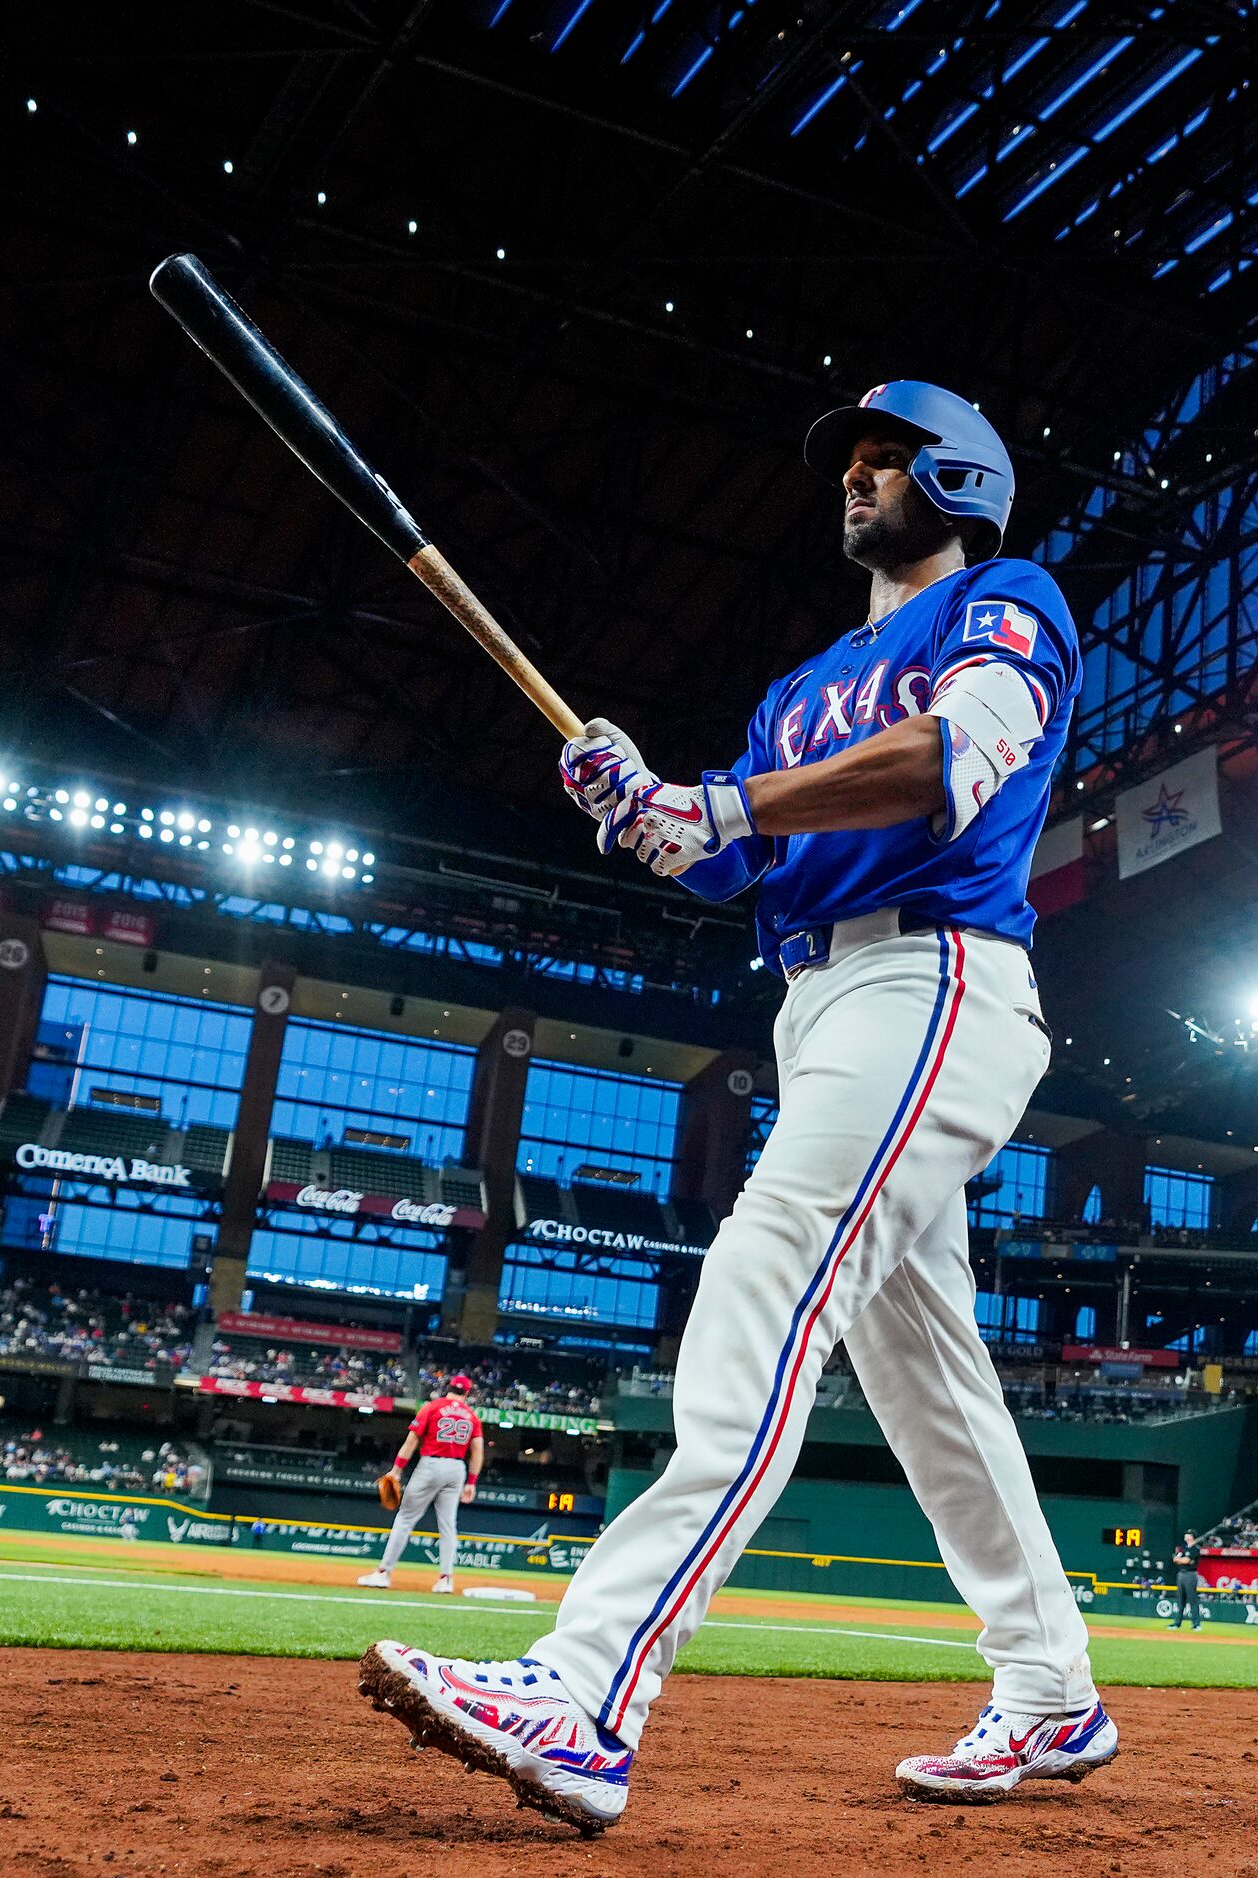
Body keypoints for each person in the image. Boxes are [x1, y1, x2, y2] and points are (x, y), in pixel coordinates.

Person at [358, 382, 1106, 1834]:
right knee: (927, 1379)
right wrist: (638, 796)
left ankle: (587, 1689)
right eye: (851, 463)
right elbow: (729, 859)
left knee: (767, 1280)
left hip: (933, 976)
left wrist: (731, 807)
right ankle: (1052, 1687)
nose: (856, 479)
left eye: (887, 460)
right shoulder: (794, 690)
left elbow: (946, 767)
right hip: (820, 1003)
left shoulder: (1007, 601)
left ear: (955, 478)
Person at [360, 1374, 484, 1594]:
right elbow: (478, 1452)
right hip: (457, 1469)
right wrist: (471, 1482)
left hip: (431, 1464)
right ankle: (446, 1579)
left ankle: (383, 1573)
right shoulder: (471, 1417)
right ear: (467, 1393)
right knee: (448, 1526)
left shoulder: (433, 1407)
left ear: (448, 1388)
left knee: (405, 1519)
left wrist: (396, 1471)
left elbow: (412, 1441)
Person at [1167, 1542, 1206, 1631]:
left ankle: (1196, 1624)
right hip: (1181, 1574)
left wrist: (1182, 1560)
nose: (1185, 1536)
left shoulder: (1194, 1549)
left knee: (1192, 1600)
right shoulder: (1183, 1548)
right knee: (1180, 1601)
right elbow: (1176, 1559)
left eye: (1188, 1534)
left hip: (1190, 1574)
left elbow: (1187, 1561)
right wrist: (1183, 1560)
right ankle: (1177, 1623)